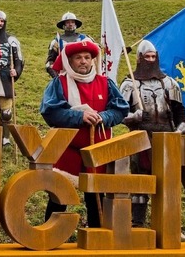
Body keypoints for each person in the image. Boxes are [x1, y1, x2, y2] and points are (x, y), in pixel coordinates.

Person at [39, 39, 129, 228]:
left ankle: (97, 236)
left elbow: (120, 109)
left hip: (97, 149)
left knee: (96, 196)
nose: (83, 61)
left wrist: (103, 117)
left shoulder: (106, 83)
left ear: (93, 61)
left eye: (87, 57)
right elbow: (50, 111)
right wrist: (79, 116)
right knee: (59, 195)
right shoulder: (59, 83)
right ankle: (48, 235)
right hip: (66, 149)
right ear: (70, 61)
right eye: (78, 58)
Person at [119, 40, 185, 228]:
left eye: (153, 57)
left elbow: (180, 113)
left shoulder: (169, 83)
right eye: (147, 57)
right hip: (140, 137)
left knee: (168, 182)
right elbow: (118, 114)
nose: (150, 60)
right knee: (140, 181)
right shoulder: (129, 84)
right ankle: (137, 222)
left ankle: (169, 224)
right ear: (139, 58)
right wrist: (134, 116)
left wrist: (180, 130)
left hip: (166, 136)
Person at [0, 10, 24, 146]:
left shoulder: (11, 40)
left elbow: (19, 61)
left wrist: (16, 71)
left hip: (5, 76)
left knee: (6, 112)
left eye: (2, 21)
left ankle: (5, 137)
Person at [45, 12, 89, 79]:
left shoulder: (85, 39)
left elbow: (93, 59)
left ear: (75, 24)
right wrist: (56, 77)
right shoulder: (57, 42)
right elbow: (49, 62)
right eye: (68, 22)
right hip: (64, 76)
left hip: (82, 75)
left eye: (72, 22)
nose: (70, 24)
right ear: (64, 24)